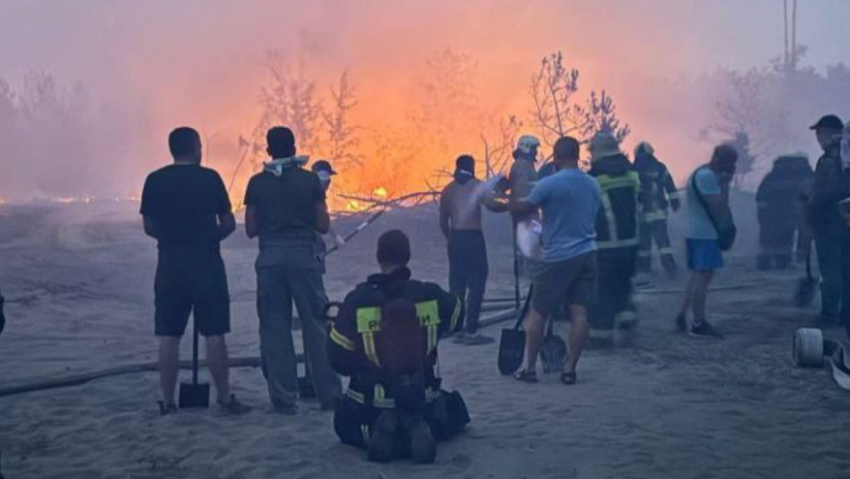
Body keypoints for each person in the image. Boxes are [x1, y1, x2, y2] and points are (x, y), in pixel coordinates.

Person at [329, 230, 468, 463]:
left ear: (378, 257)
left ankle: (386, 426)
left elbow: (337, 359)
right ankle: (414, 422)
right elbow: (458, 316)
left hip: (370, 410)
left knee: (343, 420)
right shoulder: (429, 294)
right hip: (426, 406)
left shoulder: (358, 300)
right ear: (408, 256)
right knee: (455, 409)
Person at [140, 127, 249, 415]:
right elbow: (227, 222)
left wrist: (173, 239)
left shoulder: (155, 180)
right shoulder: (210, 178)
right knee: (214, 332)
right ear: (196, 147)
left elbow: (149, 226)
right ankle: (224, 398)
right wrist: (208, 238)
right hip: (207, 264)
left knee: (168, 334)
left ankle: (168, 400)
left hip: (170, 264)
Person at [244, 126, 342, 414]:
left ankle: (285, 398)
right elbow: (323, 224)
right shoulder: (310, 180)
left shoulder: (257, 183)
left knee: (275, 327)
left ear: (269, 150)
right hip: (304, 257)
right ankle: (330, 395)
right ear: (295, 146)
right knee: (316, 325)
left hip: (270, 257)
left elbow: (250, 228)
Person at [510, 136, 600, 385]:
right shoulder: (593, 185)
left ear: (556, 156)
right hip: (587, 252)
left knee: (538, 311)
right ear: (578, 154)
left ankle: (529, 370)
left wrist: (505, 200)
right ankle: (570, 369)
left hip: (558, 256)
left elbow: (523, 211)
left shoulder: (550, 184)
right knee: (579, 313)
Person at [439, 155, 508, 346]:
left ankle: (456, 328)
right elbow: (492, 205)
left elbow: (443, 222)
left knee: (457, 286)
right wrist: (511, 204)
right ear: (472, 167)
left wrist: (450, 240)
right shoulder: (477, 185)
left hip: (455, 239)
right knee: (476, 284)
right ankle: (470, 331)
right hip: (473, 239)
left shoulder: (447, 190)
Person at [674, 144, 738, 338]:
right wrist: (725, 185)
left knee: (697, 275)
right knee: (704, 277)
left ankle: (683, 314)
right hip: (704, 234)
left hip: (696, 232)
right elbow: (718, 206)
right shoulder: (708, 177)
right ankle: (698, 323)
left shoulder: (700, 173)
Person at [587, 133, 641, 348]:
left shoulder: (593, 177)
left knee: (603, 290)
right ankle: (627, 316)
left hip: (604, 244)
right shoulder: (632, 174)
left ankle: (601, 337)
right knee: (623, 282)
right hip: (632, 241)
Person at [805, 115, 850, 326]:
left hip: (830, 222)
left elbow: (830, 190)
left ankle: (829, 314)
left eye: (819, 133)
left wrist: (812, 203)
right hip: (846, 220)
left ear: (829, 133)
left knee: (831, 270)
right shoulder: (844, 155)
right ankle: (846, 314)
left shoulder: (831, 158)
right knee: (846, 268)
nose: (817, 138)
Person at [755, 155, 814, 270]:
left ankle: (766, 262)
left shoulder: (772, 177)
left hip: (771, 212)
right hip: (788, 211)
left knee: (768, 237)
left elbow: (761, 196)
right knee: (785, 235)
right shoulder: (804, 176)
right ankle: (782, 261)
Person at [633, 141, 680, 278]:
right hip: (658, 210)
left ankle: (644, 270)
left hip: (641, 212)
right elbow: (670, 186)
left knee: (644, 244)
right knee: (663, 242)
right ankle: (670, 269)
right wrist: (675, 202)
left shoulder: (632, 169)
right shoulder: (659, 167)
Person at [311, 160, 346, 275]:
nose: (329, 182)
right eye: (328, 178)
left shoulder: (308, 191)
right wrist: (335, 237)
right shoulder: (315, 195)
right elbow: (323, 223)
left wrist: (335, 237)